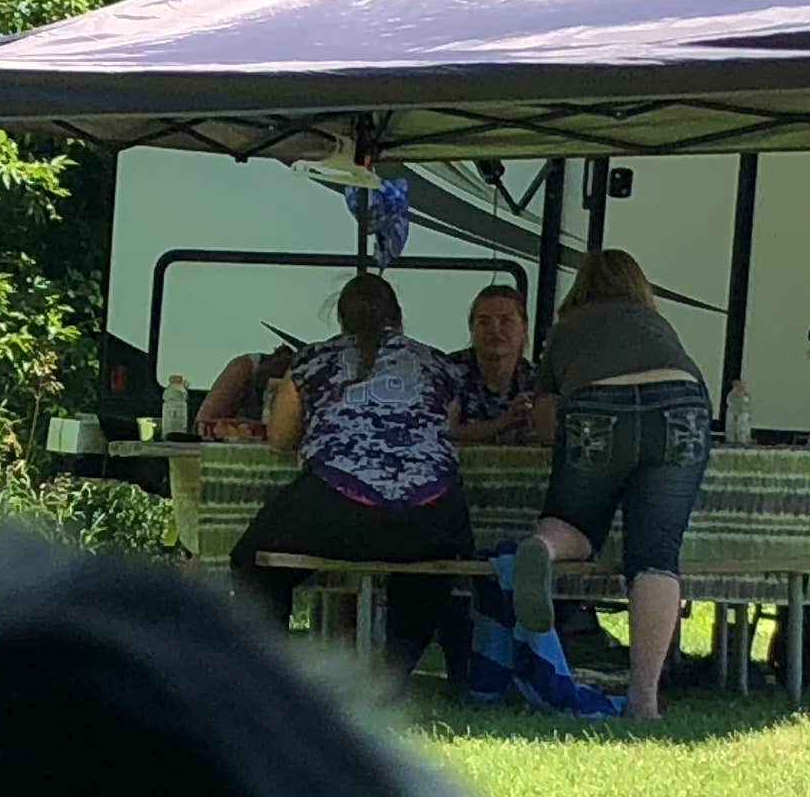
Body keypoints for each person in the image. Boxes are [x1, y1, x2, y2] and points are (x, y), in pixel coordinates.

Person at [228, 274, 473, 680]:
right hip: (432, 516)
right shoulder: (436, 363)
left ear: (340, 319)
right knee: (435, 562)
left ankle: (264, 671)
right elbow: (447, 427)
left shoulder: (310, 362)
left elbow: (280, 437)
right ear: (399, 315)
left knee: (252, 557)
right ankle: (397, 667)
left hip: (338, 507)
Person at [525, 248, 712, 720]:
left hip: (596, 408)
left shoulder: (567, 330)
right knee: (655, 555)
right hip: (680, 407)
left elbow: (546, 427)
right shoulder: (657, 325)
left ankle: (543, 548)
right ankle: (644, 698)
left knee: (574, 522)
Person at [452, 282, 545, 445]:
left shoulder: (538, 379)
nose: (495, 329)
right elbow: (443, 431)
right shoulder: (446, 371)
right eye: (484, 322)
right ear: (471, 328)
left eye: (506, 321)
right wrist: (503, 423)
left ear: (524, 328)